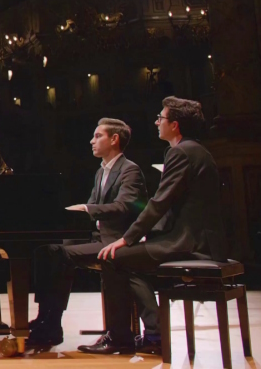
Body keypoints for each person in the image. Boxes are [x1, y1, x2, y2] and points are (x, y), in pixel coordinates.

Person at [80, 96, 227, 355]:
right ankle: (154, 333)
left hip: (190, 242)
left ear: (176, 125)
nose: (157, 122)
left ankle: (120, 337)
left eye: (161, 118)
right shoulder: (195, 149)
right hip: (195, 237)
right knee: (126, 261)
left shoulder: (180, 152)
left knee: (113, 257)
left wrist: (127, 238)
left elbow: (158, 203)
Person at [27, 118, 148, 347]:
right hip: (99, 237)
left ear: (114, 139)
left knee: (58, 254)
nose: (91, 141)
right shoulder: (101, 172)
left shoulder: (130, 170)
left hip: (117, 241)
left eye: (98, 136)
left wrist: (86, 208)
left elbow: (124, 206)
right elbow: (91, 211)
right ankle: (47, 318)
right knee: (46, 250)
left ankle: (52, 323)